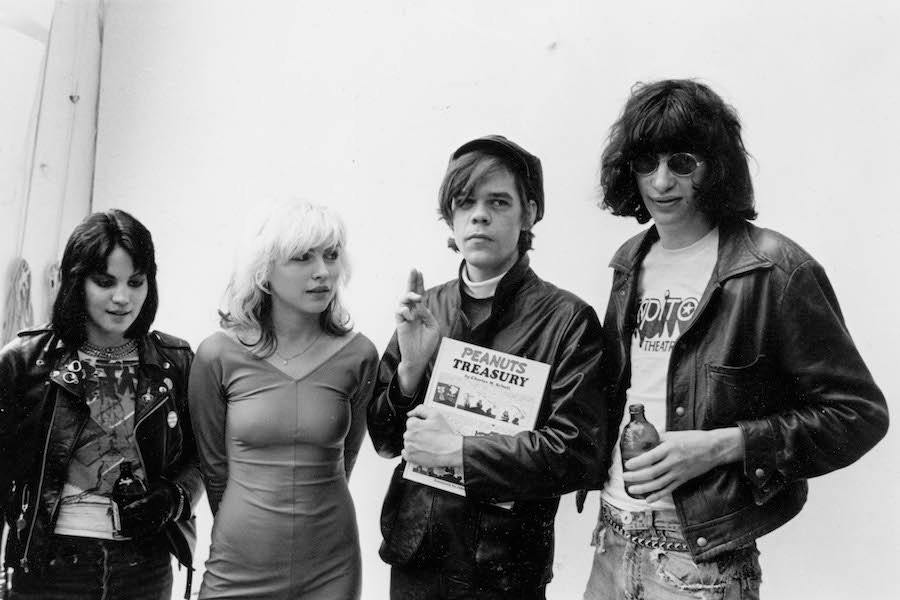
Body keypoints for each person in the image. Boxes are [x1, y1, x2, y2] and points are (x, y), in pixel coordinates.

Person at [579, 79, 889, 599]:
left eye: (682, 162)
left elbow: (858, 415)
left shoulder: (774, 269)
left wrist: (723, 445)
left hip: (699, 560)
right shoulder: (629, 262)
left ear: (714, 166)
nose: (661, 181)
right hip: (611, 538)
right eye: (646, 163)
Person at [368, 135, 607, 599]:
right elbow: (384, 440)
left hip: (505, 572)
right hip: (417, 561)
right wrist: (410, 371)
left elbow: (578, 455)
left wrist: (460, 451)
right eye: (465, 202)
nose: (479, 215)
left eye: (498, 201)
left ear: (530, 213)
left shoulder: (567, 319)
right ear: (451, 217)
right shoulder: (426, 307)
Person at [0, 209, 201, 600]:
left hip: (146, 565)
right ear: (77, 281)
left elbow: (199, 458)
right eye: (105, 282)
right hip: (49, 567)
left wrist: (173, 499)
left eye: (136, 281)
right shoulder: (24, 361)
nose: (123, 298)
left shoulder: (175, 361)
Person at [189, 198, 378, 599]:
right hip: (239, 561)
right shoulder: (217, 355)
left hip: (331, 565)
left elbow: (347, 458)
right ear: (264, 271)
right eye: (301, 258)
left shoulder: (359, 354)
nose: (323, 272)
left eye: (331, 256)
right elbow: (214, 469)